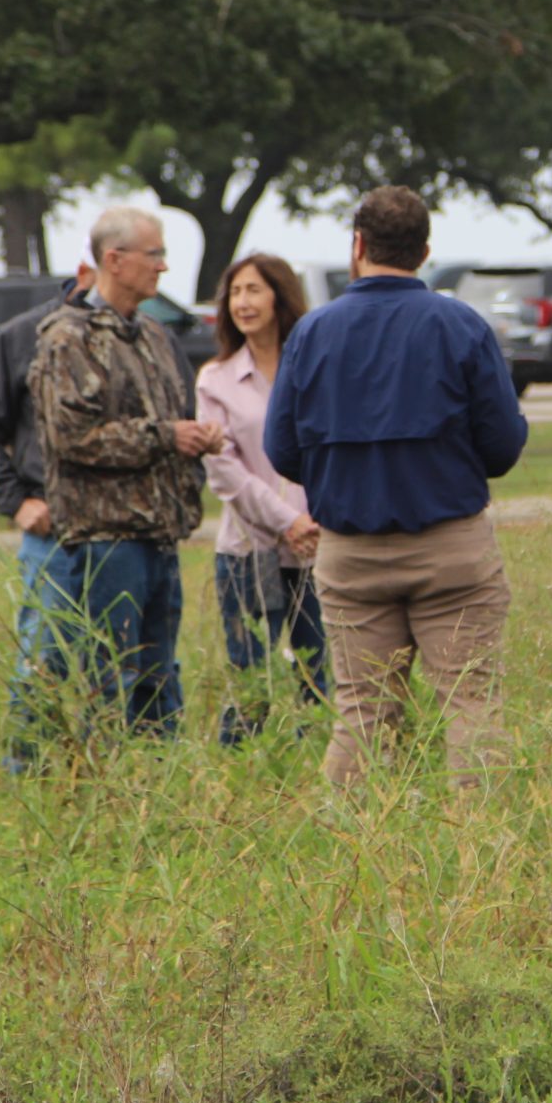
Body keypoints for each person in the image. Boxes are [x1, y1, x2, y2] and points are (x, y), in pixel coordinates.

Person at [265, 186, 528, 788]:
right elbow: (503, 447)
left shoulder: (311, 333)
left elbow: (282, 450)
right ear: (425, 250)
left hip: (351, 552)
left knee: (361, 715)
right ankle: (481, 852)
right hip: (450, 548)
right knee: (471, 706)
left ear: (357, 246)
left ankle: (355, 856)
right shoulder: (460, 325)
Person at [28, 207, 224, 748]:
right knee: (110, 678)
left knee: (160, 679)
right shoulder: (69, 338)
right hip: (106, 539)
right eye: (154, 253)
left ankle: (158, 798)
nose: (163, 267)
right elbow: (72, 437)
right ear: (114, 260)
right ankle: (108, 791)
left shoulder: (155, 336)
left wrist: (196, 437)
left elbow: (168, 418)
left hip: (159, 534)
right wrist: (165, 436)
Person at [197, 252, 327, 744]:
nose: (243, 303)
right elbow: (224, 470)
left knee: (320, 679)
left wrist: (312, 522)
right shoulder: (217, 378)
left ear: (280, 296)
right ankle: (242, 779)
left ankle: (317, 776)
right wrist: (286, 521)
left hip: (316, 548)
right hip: (249, 552)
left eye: (254, 290)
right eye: (235, 293)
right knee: (253, 683)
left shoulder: (315, 368)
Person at [0, 260, 95, 765]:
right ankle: (25, 768)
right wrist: (15, 500)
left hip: (123, 532)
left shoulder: (148, 333)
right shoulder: (22, 335)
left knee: (119, 660)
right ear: (90, 267)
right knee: (44, 654)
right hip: (51, 531)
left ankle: (106, 765)